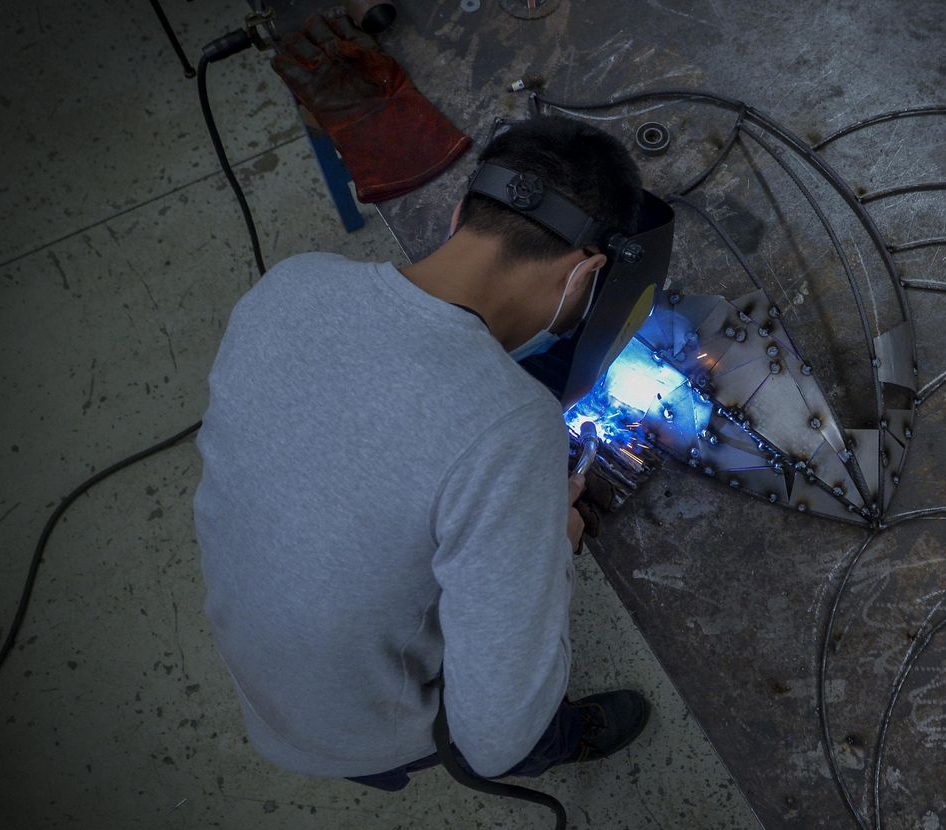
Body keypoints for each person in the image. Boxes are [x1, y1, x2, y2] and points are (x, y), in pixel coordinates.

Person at [192, 116, 651, 790]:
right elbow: (492, 742)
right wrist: (549, 546)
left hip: (262, 678)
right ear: (584, 275)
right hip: (368, 727)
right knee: (519, 727)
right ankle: (564, 739)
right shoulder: (512, 425)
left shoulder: (291, 283)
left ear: (461, 213)